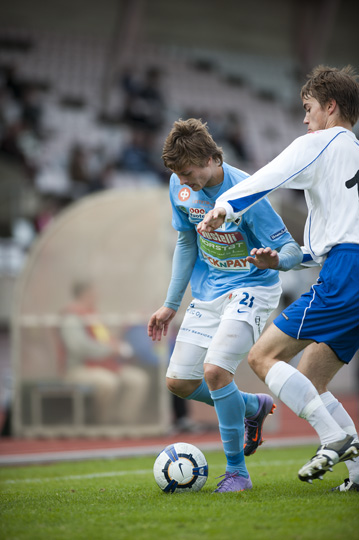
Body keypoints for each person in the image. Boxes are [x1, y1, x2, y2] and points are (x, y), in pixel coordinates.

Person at [198, 65, 359, 491]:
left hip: (348, 273)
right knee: (313, 373)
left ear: (330, 107)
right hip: (347, 265)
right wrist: (286, 261)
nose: (305, 120)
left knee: (262, 357)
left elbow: (269, 175)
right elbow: (340, 233)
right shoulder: (353, 152)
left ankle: (333, 438)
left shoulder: (323, 142)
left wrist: (224, 207)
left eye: (308, 109)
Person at [147, 118, 303, 493]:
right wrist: (170, 304)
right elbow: (186, 243)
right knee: (179, 382)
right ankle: (250, 406)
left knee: (216, 372)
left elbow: (293, 250)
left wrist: (275, 260)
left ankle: (237, 472)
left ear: (213, 158)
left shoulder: (248, 191)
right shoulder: (179, 187)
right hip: (210, 292)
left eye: (188, 173)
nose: (184, 182)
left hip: (253, 289)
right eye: (178, 176)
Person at [59, 281, 149, 425]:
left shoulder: (93, 315)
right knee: (108, 382)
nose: (97, 296)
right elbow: (79, 347)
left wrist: (117, 346)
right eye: (93, 293)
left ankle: (123, 422)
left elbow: (105, 339)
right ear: (84, 294)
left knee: (138, 379)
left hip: (105, 365)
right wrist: (109, 350)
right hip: (79, 368)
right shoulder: (72, 317)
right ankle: (103, 424)